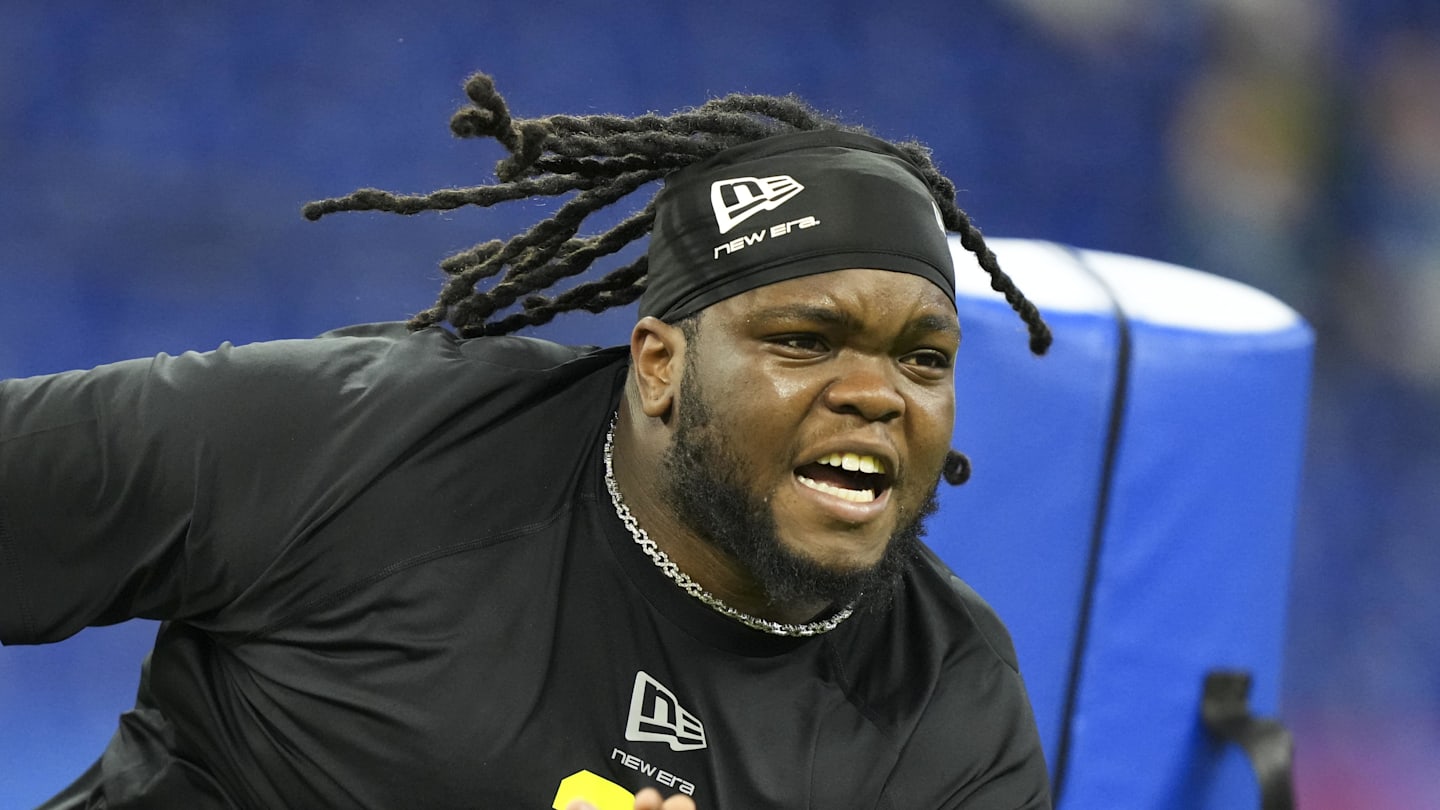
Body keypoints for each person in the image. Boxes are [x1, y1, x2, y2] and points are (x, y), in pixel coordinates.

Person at [0, 73, 1053, 809]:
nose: (876, 394)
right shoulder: (363, 446)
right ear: (658, 367)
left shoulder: (945, 703)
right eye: (805, 340)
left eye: (924, 359)